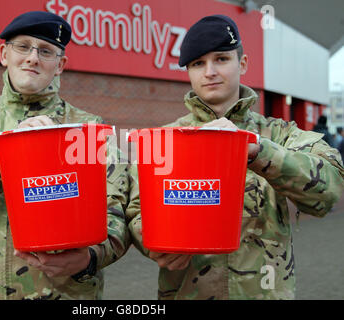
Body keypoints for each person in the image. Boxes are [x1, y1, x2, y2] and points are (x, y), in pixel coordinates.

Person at [0, 11, 131, 300]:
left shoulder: (89, 130)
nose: (32, 58)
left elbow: (116, 208)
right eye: (23, 46)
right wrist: (5, 153)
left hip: (60, 290)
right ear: (4, 54)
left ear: (60, 65)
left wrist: (90, 257)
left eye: (45, 51)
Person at [127, 15, 344, 300]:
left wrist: (257, 151)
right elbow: (136, 208)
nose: (210, 72)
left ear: (242, 64)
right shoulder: (164, 140)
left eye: (221, 59)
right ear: (188, 73)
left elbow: (329, 189)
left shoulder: (279, 135)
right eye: (198, 64)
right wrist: (153, 244)